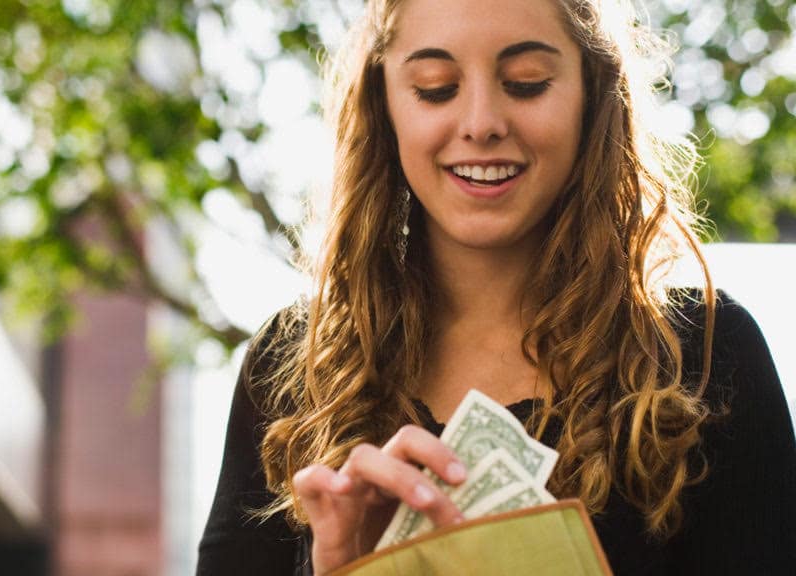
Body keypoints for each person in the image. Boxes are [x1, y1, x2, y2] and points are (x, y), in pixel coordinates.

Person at [198, 0, 796, 573]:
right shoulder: (293, 365)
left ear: (592, 94)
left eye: (527, 82)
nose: (481, 124)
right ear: (384, 104)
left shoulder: (706, 356)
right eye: (435, 87)